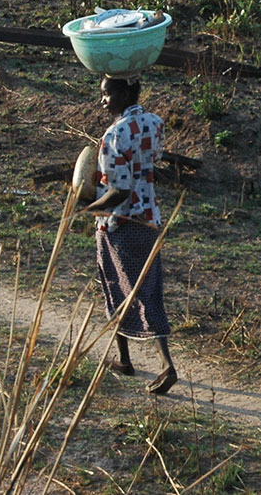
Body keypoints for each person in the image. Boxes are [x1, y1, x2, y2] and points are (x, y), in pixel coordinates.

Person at [83, 75, 176, 395]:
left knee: (115, 288)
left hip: (119, 226)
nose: (103, 101)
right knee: (148, 291)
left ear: (123, 93)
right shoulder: (154, 122)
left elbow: (119, 191)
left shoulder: (114, 135)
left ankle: (166, 366)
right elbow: (153, 163)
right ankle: (125, 359)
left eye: (106, 95)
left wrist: (86, 207)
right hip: (149, 220)